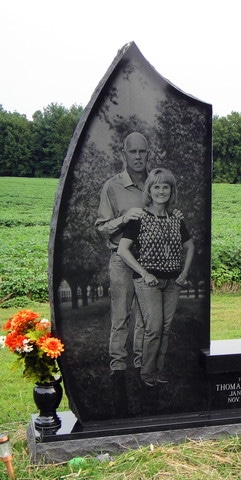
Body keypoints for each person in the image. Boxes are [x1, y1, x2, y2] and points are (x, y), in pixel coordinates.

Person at [118, 168, 194, 387]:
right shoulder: (139, 217)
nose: (161, 191)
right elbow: (123, 250)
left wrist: (184, 273)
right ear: (149, 191)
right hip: (148, 282)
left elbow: (190, 246)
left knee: (166, 329)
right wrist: (144, 273)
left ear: (171, 190)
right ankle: (146, 373)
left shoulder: (176, 218)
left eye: (165, 187)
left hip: (172, 283)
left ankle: (158, 371)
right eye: (156, 187)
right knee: (153, 328)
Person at [95, 132, 149, 415]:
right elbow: (101, 226)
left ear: (147, 153)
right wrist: (123, 218)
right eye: (133, 153)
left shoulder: (155, 184)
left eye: (142, 152)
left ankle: (142, 368)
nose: (138, 157)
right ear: (124, 154)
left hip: (150, 260)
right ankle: (118, 370)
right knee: (121, 317)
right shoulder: (112, 187)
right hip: (121, 260)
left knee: (145, 317)